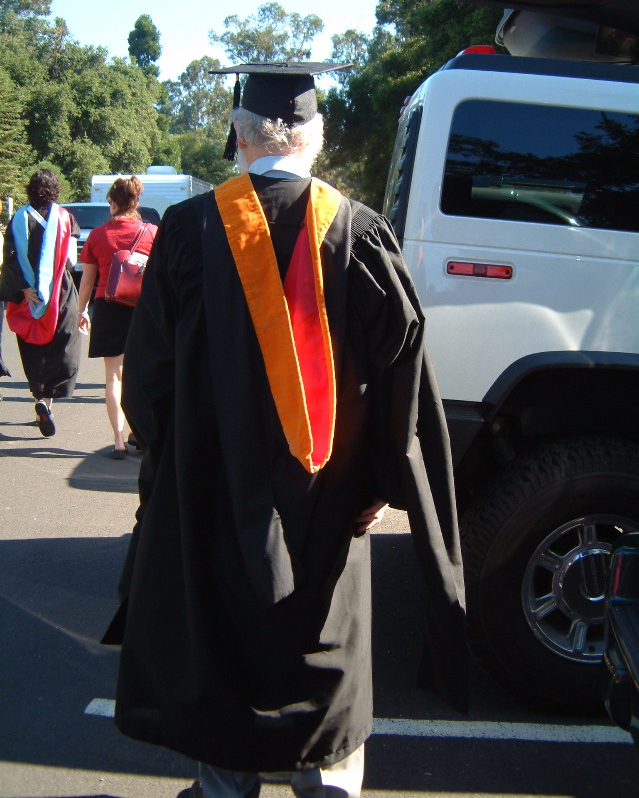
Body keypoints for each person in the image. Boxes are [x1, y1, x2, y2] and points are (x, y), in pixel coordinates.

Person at [105, 63, 467, 798]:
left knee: (224, 668)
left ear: (239, 140)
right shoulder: (362, 232)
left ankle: (227, 785)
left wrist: (177, 468)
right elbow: (401, 380)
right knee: (321, 670)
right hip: (331, 507)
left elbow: (147, 383)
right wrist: (376, 483)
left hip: (210, 499)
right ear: (316, 138)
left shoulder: (186, 229)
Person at [77, 176, 156, 459]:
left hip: (108, 308)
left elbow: (86, 282)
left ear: (112, 202)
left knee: (114, 377)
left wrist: (81, 311)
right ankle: (143, 433)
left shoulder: (97, 235)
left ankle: (119, 440)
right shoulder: (151, 233)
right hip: (143, 310)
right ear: (136, 202)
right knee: (145, 374)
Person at [0, 169, 80, 434]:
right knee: (62, 344)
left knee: (33, 346)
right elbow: (69, 260)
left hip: (28, 295)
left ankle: (38, 397)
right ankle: (47, 401)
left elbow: (10, 258)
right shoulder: (65, 218)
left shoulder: (18, 218)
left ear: (30, 189)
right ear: (55, 189)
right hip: (60, 291)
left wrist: (24, 287)